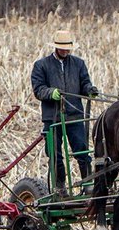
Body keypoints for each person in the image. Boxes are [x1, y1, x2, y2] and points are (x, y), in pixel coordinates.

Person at [30, 30, 99, 190]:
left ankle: (87, 184)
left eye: (68, 48)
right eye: (62, 48)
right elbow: (38, 89)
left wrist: (90, 90)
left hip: (74, 117)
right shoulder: (41, 65)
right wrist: (51, 93)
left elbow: (84, 84)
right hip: (52, 118)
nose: (66, 51)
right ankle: (60, 187)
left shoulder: (78, 64)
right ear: (56, 48)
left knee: (82, 151)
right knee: (55, 155)